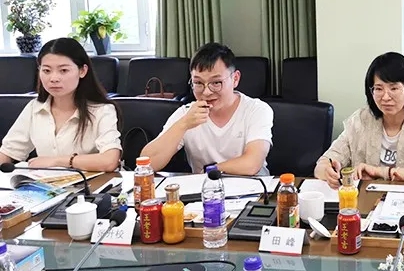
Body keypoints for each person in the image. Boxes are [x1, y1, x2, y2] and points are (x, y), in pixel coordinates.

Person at [314, 52, 404, 188]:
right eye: (378, 89)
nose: (385, 97)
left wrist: (381, 172)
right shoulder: (361, 119)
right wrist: (328, 171)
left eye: (394, 88)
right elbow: (323, 164)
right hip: (366, 198)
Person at [141, 43, 273, 175]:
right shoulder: (187, 114)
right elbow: (147, 163)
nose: (207, 92)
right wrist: (184, 124)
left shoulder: (256, 110)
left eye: (216, 83)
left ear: (235, 79)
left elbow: (252, 164)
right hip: (205, 186)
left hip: (252, 185)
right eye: (198, 83)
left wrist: (211, 170)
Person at [0, 37, 121, 171]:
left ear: (82, 71)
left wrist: (57, 161)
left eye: (63, 70)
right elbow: (8, 152)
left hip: (90, 183)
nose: (54, 79)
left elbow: (110, 161)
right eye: (46, 71)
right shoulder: (34, 107)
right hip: (44, 183)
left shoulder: (102, 110)